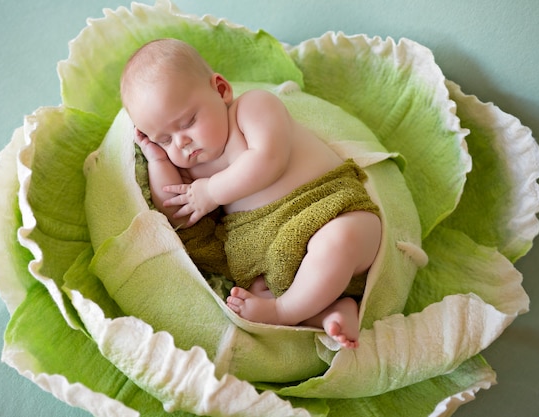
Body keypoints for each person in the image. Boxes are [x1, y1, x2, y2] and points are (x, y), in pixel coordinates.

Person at [120, 38, 381, 349]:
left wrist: (212, 191)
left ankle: (284, 311)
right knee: (265, 289)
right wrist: (158, 160)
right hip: (271, 251)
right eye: (165, 139)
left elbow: (269, 159)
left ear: (220, 90)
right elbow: (176, 213)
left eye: (188, 121)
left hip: (328, 209)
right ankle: (329, 311)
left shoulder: (252, 108)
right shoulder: (191, 170)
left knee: (339, 240)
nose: (182, 143)